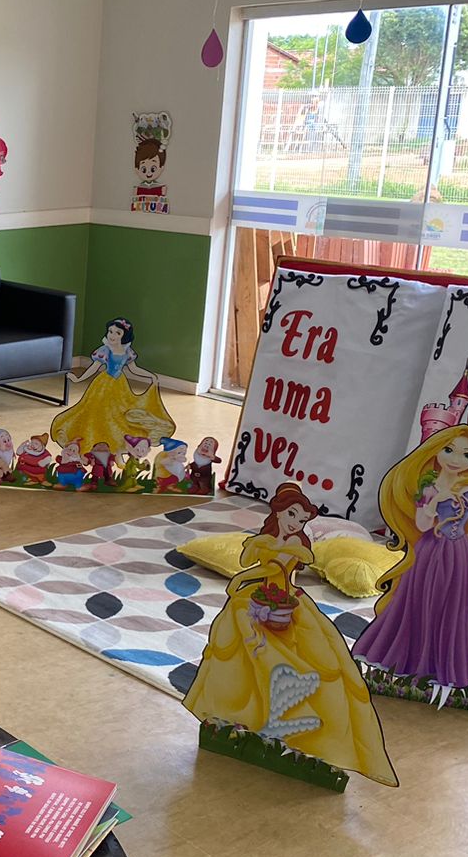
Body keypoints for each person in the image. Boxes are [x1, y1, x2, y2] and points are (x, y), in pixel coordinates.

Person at [183, 484, 398, 786]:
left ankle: (298, 717)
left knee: (309, 655)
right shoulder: (269, 538)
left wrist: (241, 579)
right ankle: (242, 714)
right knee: (234, 646)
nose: (295, 523)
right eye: (291, 515)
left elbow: (274, 571)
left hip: (284, 601)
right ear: (278, 512)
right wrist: (257, 547)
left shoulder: (297, 545)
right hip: (257, 600)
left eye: (301, 518)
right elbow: (248, 561)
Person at [352, 425, 468, 708]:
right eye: (449, 450)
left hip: (459, 555)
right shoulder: (428, 487)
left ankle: (445, 673)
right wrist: (435, 503)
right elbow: (422, 525)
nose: (456, 459)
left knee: (452, 608)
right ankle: (406, 665)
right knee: (417, 602)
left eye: (467, 454)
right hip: (428, 552)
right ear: (436, 451)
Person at [49, 317, 175, 457]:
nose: (112, 335)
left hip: (120, 386)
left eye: (117, 333)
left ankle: (114, 439)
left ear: (124, 336)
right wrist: (78, 379)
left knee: (118, 413)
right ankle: (95, 435)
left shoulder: (127, 352)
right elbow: (94, 367)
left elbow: (134, 369)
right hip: (103, 385)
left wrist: (150, 376)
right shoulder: (105, 350)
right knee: (97, 410)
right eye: (110, 331)